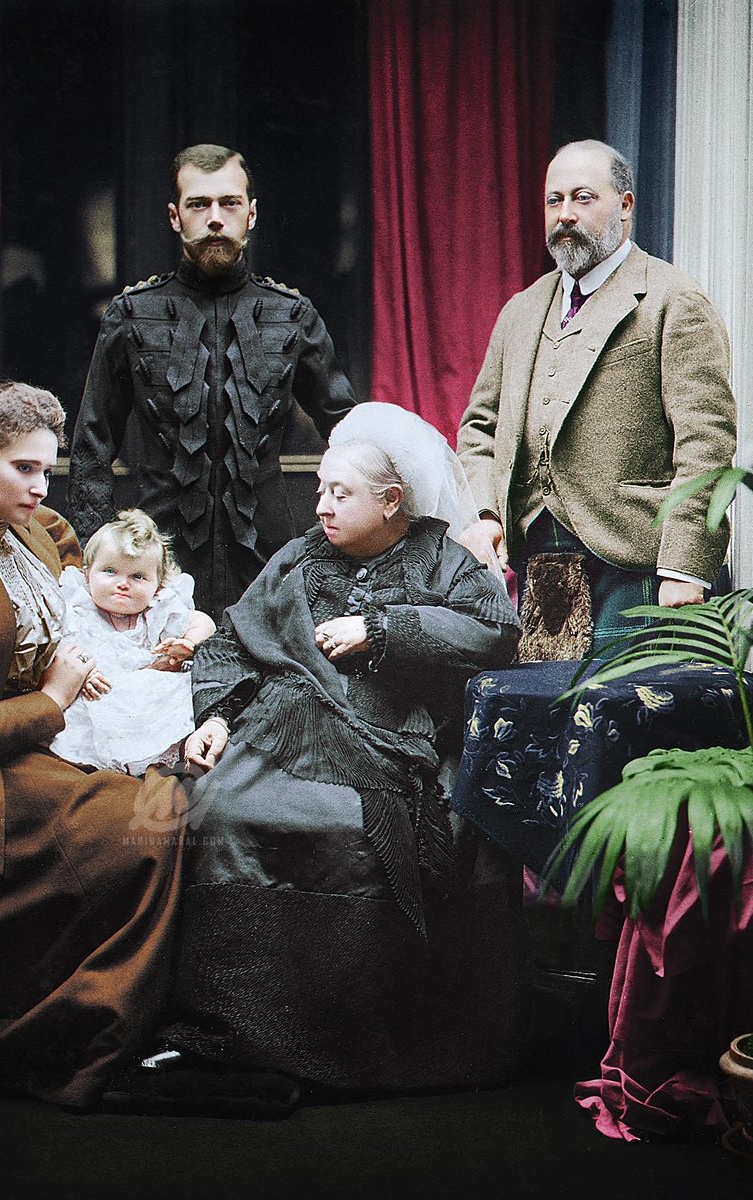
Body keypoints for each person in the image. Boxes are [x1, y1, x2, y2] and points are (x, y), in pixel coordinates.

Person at [105, 403, 527, 1109]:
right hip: (284, 724)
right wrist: (212, 716)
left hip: (398, 737)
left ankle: (361, 1038)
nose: (322, 506)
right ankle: (233, 1030)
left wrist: (383, 627)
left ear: (392, 502)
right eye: (321, 489)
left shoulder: (439, 558)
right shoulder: (300, 558)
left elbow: (494, 631)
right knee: (217, 811)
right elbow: (232, 641)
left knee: (354, 828)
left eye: (341, 494)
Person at [0, 382, 189, 1109]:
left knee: (169, 801)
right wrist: (56, 696)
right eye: (24, 469)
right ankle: (75, 1034)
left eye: (47, 470)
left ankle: (129, 1013)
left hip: (34, 746)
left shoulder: (35, 531)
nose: (40, 486)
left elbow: (89, 593)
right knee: (148, 828)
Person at [457, 139, 737, 653]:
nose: (565, 215)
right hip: (540, 569)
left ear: (625, 207)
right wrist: (486, 514)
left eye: (583, 198)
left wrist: (686, 565)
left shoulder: (674, 301)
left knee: (634, 726)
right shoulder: (521, 311)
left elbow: (707, 446)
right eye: (554, 200)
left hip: (642, 566)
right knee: (552, 722)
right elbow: (479, 427)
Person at [68, 142, 357, 623]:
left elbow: (349, 433)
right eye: (198, 204)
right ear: (175, 217)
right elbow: (91, 448)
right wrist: (98, 562)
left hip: (270, 563)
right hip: (154, 566)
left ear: (252, 214)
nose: (215, 218)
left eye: (230, 203)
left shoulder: (292, 315)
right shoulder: (131, 315)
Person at [50, 508, 215, 775]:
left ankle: (154, 761)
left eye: (138, 577)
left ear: (158, 586)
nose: (122, 584)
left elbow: (204, 622)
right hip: (101, 696)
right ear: (87, 574)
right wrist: (83, 671)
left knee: (179, 693)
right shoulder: (78, 609)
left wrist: (188, 643)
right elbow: (59, 647)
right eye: (110, 571)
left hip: (150, 698)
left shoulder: (159, 609)